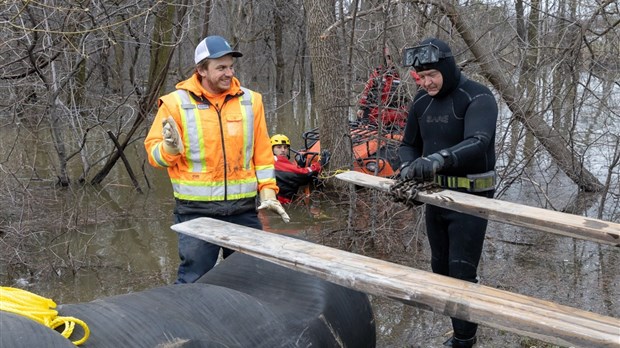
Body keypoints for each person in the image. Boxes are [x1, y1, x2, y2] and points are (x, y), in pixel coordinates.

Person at [144, 35, 290, 284]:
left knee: (250, 278)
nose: (229, 73)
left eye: (231, 66)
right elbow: (154, 157)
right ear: (201, 70)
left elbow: (262, 152)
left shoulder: (250, 100)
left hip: (243, 209)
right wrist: (169, 148)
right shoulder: (175, 104)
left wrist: (268, 192)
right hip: (196, 211)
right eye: (221, 67)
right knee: (195, 280)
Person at [398, 38, 498, 348]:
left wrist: (439, 159)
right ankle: (465, 319)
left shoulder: (477, 96)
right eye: (421, 76)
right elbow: (407, 144)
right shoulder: (421, 101)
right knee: (440, 269)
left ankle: (464, 340)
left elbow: (479, 140)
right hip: (436, 196)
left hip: (472, 198)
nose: (426, 82)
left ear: (447, 68)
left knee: (460, 273)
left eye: (432, 75)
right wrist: (407, 168)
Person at [357, 47, 409, 128]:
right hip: (376, 117)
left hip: (396, 120)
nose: (390, 60)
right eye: (388, 57)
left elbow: (409, 101)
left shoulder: (404, 75)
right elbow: (367, 91)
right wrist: (361, 107)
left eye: (392, 57)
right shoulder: (378, 73)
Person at [270, 134, 327, 204]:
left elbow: (290, 172)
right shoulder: (277, 161)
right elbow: (304, 174)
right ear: (272, 149)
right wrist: (320, 164)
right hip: (282, 203)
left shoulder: (271, 161)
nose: (283, 150)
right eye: (279, 147)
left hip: (277, 201)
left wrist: (300, 166)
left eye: (285, 148)